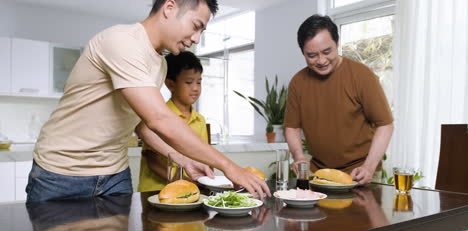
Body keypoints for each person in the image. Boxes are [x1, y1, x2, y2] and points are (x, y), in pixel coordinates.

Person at [26, 0, 270, 202]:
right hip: (61, 174)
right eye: (196, 26)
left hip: (114, 173)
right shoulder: (122, 41)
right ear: (170, 7)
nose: (196, 39)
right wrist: (230, 167)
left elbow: (140, 121)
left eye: (201, 32)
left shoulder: (160, 63)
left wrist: (181, 158)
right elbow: (159, 119)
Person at [284, 14, 394, 185]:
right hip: (318, 174)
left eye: (327, 52)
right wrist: (299, 157)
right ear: (303, 52)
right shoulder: (298, 82)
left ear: (337, 44)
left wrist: (369, 167)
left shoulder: (362, 75)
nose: (321, 60)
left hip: (359, 173)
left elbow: (385, 125)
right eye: (312, 55)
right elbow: (292, 127)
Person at [138, 51, 209, 192]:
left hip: (190, 193)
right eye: (188, 82)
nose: (195, 88)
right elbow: (153, 161)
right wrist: (186, 183)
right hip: (155, 192)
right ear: (170, 84)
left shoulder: (200, 120)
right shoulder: (158, 116)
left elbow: (206, 158)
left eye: (199, 82)